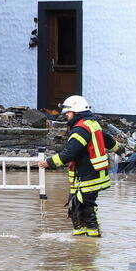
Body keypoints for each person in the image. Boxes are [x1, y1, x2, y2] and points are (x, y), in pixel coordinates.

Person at [39, 95, 123, 238]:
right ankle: (80, 237)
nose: (66, 116)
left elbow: (70, 153)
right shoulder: (92, 124)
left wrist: (49, 162)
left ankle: (93, 235)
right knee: (76, 203)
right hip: (88, 173)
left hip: (89, 174)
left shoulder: (81, 129)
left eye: (68, 113)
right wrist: (119, 149)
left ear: (76, 112)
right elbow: (107, 139)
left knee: (86, 204)